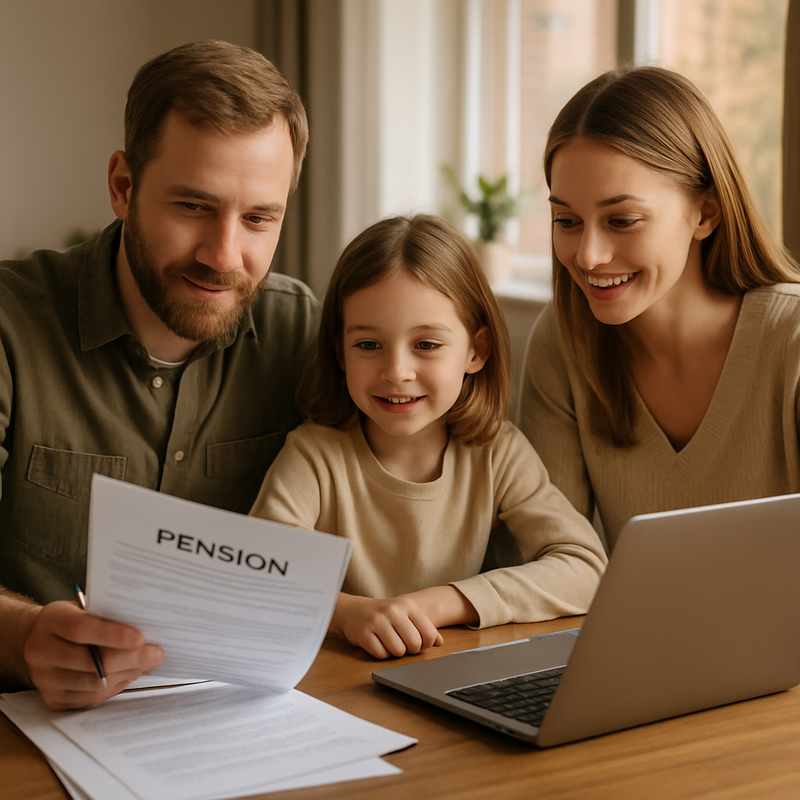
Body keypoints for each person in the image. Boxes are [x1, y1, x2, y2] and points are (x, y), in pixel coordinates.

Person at [0, 40, 318, 708]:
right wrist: (20, 632)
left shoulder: (303, 333)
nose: (224, 254)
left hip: (239, 723)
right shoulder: (9, 328)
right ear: (123, 186)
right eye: (194, 207)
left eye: (259, 218)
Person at [250, 214, 607, 660]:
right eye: (368, 344)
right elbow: (257, 576)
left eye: (426, 345)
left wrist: (439, 603)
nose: (396, 371)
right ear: (339, 351)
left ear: (476, 351)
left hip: (449, 672)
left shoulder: (498, 451)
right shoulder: (314, 455)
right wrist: (347, 615)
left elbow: (586, 568)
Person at [518, 65, 800, 552]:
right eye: (566, 219)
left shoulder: (791, 342)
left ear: (705, 213)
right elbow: (550, 558)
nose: (587, 256)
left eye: (622, 220)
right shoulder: (565, 340)